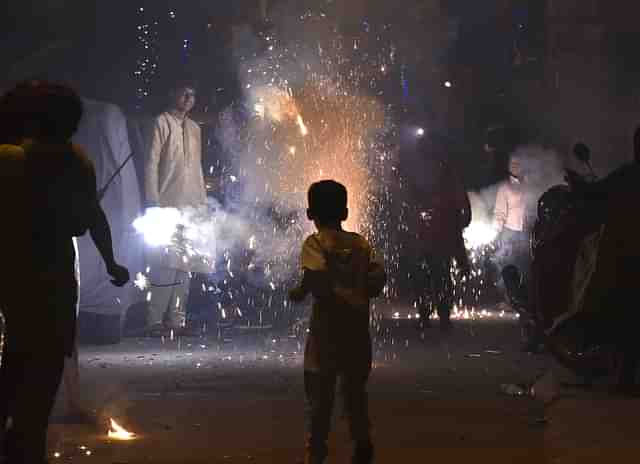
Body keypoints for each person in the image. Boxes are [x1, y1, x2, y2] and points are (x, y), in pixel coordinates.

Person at [0, 80, 129, 464]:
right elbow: (92, 217)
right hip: (51, 272)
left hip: (15, 272)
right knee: (42, 368)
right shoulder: (74, 160)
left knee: (18, 354)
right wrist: (111, 263)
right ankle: (24, 443)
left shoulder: (10, 157)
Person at [288, 180, 386, 464]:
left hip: (325, 336)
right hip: (357, 335)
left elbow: (314, 278)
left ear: (309, 214)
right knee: (355, 392)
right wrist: (358, 291)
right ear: (345, 212)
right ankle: (362, 442)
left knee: (319, 398)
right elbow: (377, 278)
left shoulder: (314, 243)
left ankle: (316, 452)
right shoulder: (360, 243)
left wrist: (299, 292)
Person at [144, 81, 207, 332]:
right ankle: (155, 321)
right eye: (184, 92)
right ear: (172, 93)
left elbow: (198, 167)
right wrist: (152, 202)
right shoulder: (161, 122)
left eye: (192, 94)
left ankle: (177, 321)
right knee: (165, 264)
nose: (188, 97)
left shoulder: (194, 128)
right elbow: (150, 163)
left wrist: (202, 203)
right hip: (166, 203)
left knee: (186, 265)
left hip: (192, 204)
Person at [406, 134, 471, 331]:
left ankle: (435, 316)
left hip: (437, 235)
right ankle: (434, 315)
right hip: (430, 235)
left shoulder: (444, 173)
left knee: (434, 277)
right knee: (435, 277)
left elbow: (460, 201)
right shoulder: (427, 173)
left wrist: (462, 219)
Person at [493, 156, 532, 274]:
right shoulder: (504, 187)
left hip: (526, 232)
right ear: (509, 167)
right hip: (510, 233)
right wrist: (497, 232)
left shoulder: (527, 185)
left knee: (524, 265)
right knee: (511, 264)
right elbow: (499, 212)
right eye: (513, 164)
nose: (515, 166)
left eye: (518, 163)